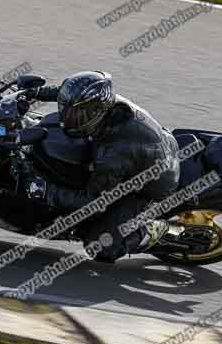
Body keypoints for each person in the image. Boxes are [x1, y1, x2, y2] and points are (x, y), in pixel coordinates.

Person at [21, 71, 180, 261]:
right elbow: (67, 94)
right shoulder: (101, 101)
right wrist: (35, 93)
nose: (67, 117)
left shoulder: (115, 152)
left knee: (100, 247)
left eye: (76, 115)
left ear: (95, 113)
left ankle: (154, 229)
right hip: (149, 151)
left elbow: (94, 202)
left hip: (148, 188)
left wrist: (47, 192)